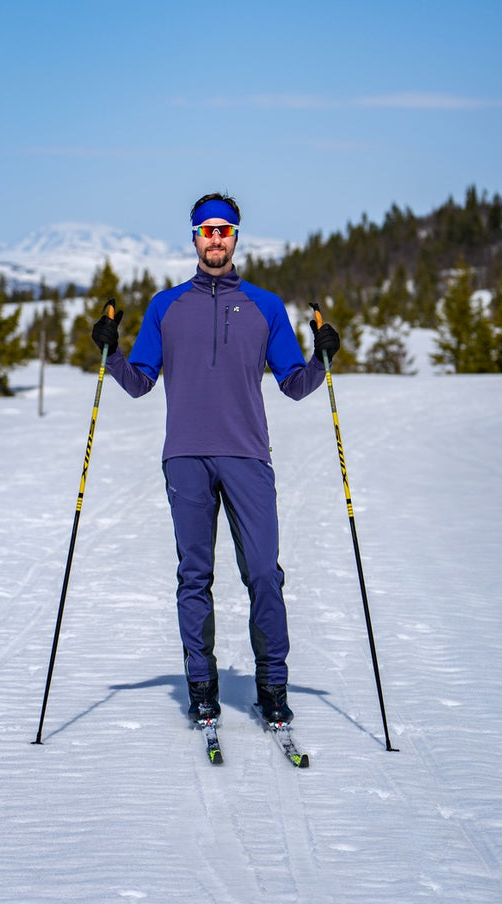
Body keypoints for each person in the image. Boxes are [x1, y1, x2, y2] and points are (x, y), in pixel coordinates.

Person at [91, 193, 340, 725]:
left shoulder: (265, 307)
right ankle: (201, 687)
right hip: (184, 457)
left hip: (247, 455)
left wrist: (321, 357)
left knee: (265, 575)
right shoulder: (166, 306)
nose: (216, 239)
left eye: (224, 230)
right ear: (195, 238)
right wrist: (111, 353)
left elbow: (295, 385)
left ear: (236, 238)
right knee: (194, 576)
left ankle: (273, 687)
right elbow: (139, 384)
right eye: (207, 230)